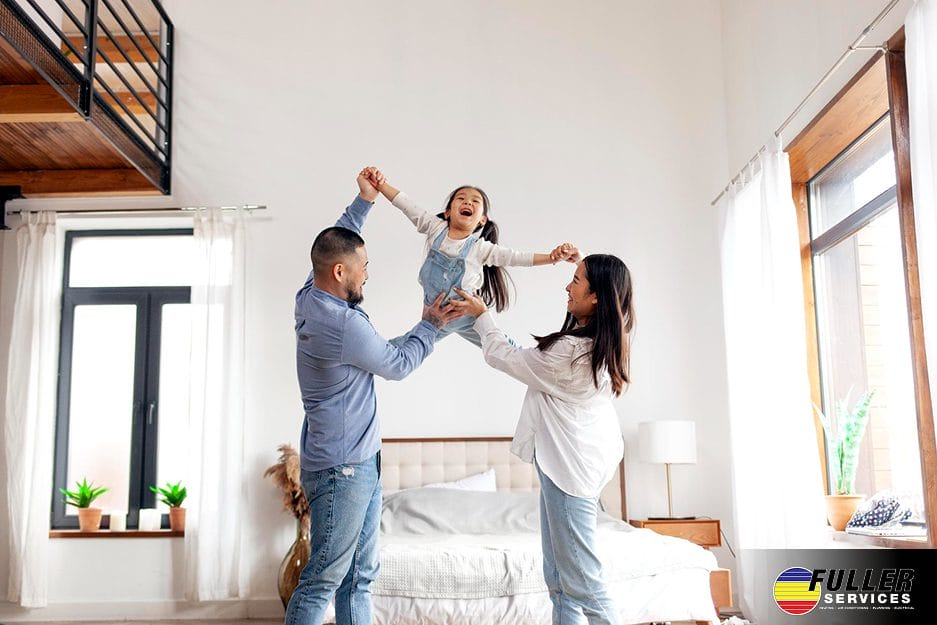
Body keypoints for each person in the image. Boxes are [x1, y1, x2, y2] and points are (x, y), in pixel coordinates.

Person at [286, 168, 463, 625]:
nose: (369, 273)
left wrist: (364, 202)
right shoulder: (344, 324)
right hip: (343, 469)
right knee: (325, 579)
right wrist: (431, 325)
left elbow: (336, 244)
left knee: (359, 576)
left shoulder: (310, 294)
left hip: (352, 461)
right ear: (341, 272)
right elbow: (398, 364)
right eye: (364, 267)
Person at [449, 254, 634, 625]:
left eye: (577, 280)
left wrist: (483, 315)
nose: (568, 286)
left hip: (569, 474)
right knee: (560, 581)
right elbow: (520, 357)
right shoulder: (594, 347)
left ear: (596, 296)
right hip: (571, 467)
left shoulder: (572, 353)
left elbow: (506, 357)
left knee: (582, 582)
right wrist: (478, 321)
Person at [363, 169, 578, 346]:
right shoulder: (434, 227)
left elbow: (517, 257)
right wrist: (381, 186)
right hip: (436, 313)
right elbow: (407, 205)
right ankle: (374, 353)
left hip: (465, 314)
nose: (468, 203)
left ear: (482, 220)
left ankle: (533, 361)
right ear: (448, 212)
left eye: (475, 201)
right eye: (461, 199)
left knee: (501, 347)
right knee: (410, 344)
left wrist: (551, 257)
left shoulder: (480, 248)